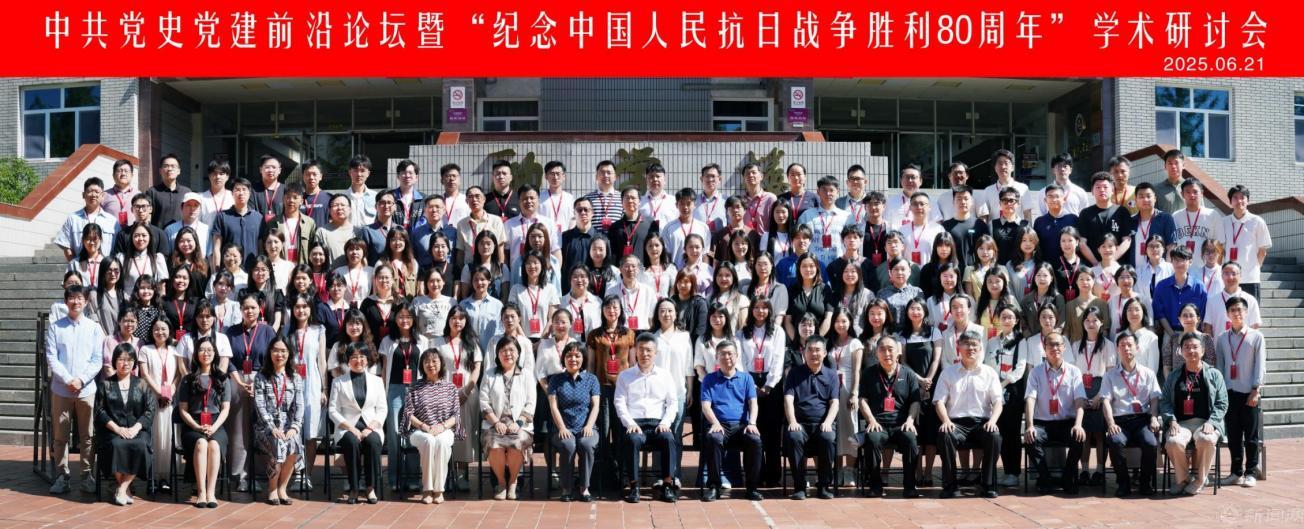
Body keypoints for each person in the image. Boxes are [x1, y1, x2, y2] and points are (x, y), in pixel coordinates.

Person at [46, 285, 104, 495]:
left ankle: (87, 475)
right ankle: (62, 476)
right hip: (61, 390)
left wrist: (81, 380)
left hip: (86, 390)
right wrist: (68, 379)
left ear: (86, 302)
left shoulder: (94, 328)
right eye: (71, 298)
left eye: (79, 298)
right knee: (60, 435)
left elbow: (97, 359)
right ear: (66, 302)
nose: (75, 301)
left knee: (87, 435)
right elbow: (52, 357)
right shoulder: (55, 327)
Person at [934, 332, 1003, 498]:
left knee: (994, 436)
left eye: (974, 345)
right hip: (956, 423)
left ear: (980, 348)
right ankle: (950, 485)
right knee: (945, 435)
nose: (970, 348)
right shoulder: (948, 373)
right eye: (966, 344)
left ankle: (988, 485)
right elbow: (939, 401)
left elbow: (998, 402)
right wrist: (946, 421)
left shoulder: (989, 372)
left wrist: (993, 421)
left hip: (982, 423)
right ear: (959, 347)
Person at [614, 333, 680, 503]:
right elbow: (619, 403)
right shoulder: (625, 376)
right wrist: (629, 423)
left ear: (655, 353)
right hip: (635, 423)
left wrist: (666, 422)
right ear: (635, 351)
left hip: (658, 424)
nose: (645, 354)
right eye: (641, 350)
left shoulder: (665, 376)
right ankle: (634, 486)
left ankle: (667, 485)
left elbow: (673, 403)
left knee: (669, 439)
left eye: (649, 350)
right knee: (633, 440)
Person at [1160, 332, 1228, 496]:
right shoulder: (1174, 376)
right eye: (1187, 347)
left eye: (1195, 347)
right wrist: (1171, 421)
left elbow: (1222, 403)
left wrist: (1212, 422)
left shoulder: (1214, 374)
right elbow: (1165, 402)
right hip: (1181, 423)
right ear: (1180, 351)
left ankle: (1200, 479)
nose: (1191, 350)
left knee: (1206, 439)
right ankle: (1183, 479)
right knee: (1173, 441)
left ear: (1203, 350)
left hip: (1206, 422)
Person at [697, 340, 764, 502]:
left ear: (737, 356)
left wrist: (752, 423)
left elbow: (753, 403)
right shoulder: (709, 379)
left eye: (730, 354)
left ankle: (752, 488)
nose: (727, 357)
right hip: (719, 425)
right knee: (713, 438)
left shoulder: (746, 378)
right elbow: (705, 406)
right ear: (716, 357)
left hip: (741, 426)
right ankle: (714, 486)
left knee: (755, 440)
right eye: (723, 354)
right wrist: (715, 423)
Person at [1022, 330, 1087, 494]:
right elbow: (1030, 399)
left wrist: (1078, 424)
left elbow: (1080, 400)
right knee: (1030, 438)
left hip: (1066, 423)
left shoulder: (1074, 371)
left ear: (1064, 347)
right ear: (1044, 348)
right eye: (1050, 344)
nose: (1054, 348)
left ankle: (1067, 477)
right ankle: (1045, 478)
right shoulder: (1036, 372)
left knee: (1078, 437)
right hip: (1042, 424)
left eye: (1058, 344)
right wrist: (1029, 425)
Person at [858, 335, 923, 498]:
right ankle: (875, 486)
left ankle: (910, 486)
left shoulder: (908, 374)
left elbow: (915, 402)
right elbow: (862, 400)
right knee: (872, 439)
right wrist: (871, 420)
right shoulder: (868, 374)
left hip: (901, 424)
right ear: (877, 353)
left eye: (890, 349)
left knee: (910, 438)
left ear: (898, 352)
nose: (887, 353)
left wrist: (910, 421)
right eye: (882, 349)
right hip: (878, 424)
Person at [1100, 330, 1163, 497]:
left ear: (1137, 348)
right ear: (1117, 349)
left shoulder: (1148, 373)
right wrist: (1111, 424)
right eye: (1122, 345)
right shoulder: (1110, 375)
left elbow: (1154, 399)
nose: (1126, 348)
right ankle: (1123, 483)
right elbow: (1105, 401)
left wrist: (1154, 418)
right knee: (1115, 441)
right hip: (1120, 421)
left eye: (1129, 345)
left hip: (1142, 420)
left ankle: (1145, 482)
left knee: (1151, 443)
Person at [226, 291, 276, 491]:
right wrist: (239, 380)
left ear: (260, 309)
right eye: (245, 308)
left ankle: (263, 474)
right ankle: (241, 476)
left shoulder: (267, 331)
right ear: (240, 309)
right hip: (237, 380)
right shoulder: (231, 332)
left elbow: (273, 357)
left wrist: (259, 381)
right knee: (239, 430)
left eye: (253, 307)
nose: (249, 311)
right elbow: (227, 359)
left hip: (261, 380)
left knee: (262, 428)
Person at [95, 343, 156, 506]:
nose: (125, 363)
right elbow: (99, 411)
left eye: (129, 359)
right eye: (121, 359)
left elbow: (150, 410)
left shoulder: (142, 384)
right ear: (115, 361)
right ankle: (125, 489)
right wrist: (117, 429)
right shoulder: (105, 384)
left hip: (137, 429)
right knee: (115, 445)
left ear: (134, 362)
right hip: (112, 430)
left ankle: (121, 488)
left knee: (141, 444)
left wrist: (136, 428)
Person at [401, 348, 463, 504]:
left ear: (441, 363)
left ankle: (439, 490)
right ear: (422, 365)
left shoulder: (450, 387)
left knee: (441, 442)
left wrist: (442, 427)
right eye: (426, 361)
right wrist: (425, 427)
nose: (430, 364)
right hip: (419, 430)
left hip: (444, 429)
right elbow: (408, 414)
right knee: (429, 441)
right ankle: (427, 489)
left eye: (434, 360)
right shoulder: (414, 387)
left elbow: (456, 416)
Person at [328, 342, 388, 504]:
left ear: (367, 359)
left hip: (371, 426)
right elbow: (332, 410)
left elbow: (382, 409)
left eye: (362, 356)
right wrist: (351, 428)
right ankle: (354, 488)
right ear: (348, 360)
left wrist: (370, 427)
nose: (358, 360)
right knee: (352, 442)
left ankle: (370, 487)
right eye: (354, 357)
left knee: (373, 442)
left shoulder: (377, 381)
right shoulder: (338, 382)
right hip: (347, 427)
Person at [1216, 297, 1266, 488]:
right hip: (1229, 393)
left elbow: (1260, 365)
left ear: (1246, 312)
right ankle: (1236, 472)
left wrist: (1256, 389)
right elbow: (1220, 367)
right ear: (1227, 314)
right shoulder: (1222, 338)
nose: (1236, 313)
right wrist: (1220, 393)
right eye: (1232, 310)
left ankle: (1251, 472)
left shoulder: (1256, 336)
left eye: (1240, 310)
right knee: (1234, 436)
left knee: (1251, 436)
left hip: (1249, 392)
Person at [783, 336, 839, 500]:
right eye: (810, 350)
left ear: (825, 353)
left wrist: (828, 422)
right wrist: (792, 421)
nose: (814, 354)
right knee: (794, 436)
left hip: (823, 424)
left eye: (817, 350)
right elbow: (788, 399)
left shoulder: (832, 375)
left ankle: (824, 486)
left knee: (828, 438)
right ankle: (799, 487)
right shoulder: (794, 373)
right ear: (804, 352)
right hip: (800, 424)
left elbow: (834, 402)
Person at [479, 338, 536, 500]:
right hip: (493, 425)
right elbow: (484, 402)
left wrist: (519, 422)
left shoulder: (526, 375)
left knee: (516, 443)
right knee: (494, 445)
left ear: (518, 353)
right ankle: (501, 482)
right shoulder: (489, 374)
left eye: (511, 350)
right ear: (497, 354)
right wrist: (496, 422)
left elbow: (531, 403)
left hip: (520, 426)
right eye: (503, 350)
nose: (507, 353)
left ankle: (513, 482)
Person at [178, 336, 231, 508]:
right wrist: (196, 426)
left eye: (209, 350)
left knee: (214, 445)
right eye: (202, 350)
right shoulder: (188, 379)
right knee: (201, 443)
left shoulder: (222, 378)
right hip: (193, 423)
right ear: (196, 354)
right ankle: (200, 492)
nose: (205, 353)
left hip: (216, 423)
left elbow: (225, 409)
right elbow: (183, 410)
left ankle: (211, 492)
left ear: (215, 353)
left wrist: (214, 427)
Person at [252, 337, 305, 505]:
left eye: (283, 351)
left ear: (289, 354)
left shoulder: (295, 377)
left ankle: (283, 488)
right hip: (265, 428)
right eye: (275, 350)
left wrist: (294, 427)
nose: (279, 354)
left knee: (294, 442)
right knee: (277, 441)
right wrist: (272, 428)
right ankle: (272, 489)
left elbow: (299, 406)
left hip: (288, 426)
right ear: (270, 352)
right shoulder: (261, 377)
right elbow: (260, 406)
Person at [547, 342, 601, 502]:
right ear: (563, 358)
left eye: (577, 355)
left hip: (586, 426)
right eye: (569, 356)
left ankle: (584, 488)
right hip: (563, 427)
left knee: (586, 444)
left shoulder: (591, 379)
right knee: (567, 444)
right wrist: (562, 428)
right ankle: (567, 488)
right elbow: (553, 406)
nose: (573, 359)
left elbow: (595, 406)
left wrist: (589, 426)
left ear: (583, 358)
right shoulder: (555, 379)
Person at [138, 318, 182, 492]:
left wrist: (170, 391)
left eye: (164, 329)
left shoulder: (175, 350)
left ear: (169, 330)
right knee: (153, 437)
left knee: (169, 437)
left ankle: (167, 477)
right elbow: (144, 374)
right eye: (156, 329)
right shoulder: (145, 350)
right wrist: (159, 393)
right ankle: (153, 477)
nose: (160, 332)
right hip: (152, 399)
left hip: (170, 400)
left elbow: (179, 373)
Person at [1217, 185, 1272, 298]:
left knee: (1251, 308)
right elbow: (1219, 248)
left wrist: (1255, 268)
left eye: (1242, 197)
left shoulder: (1257, 221)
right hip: (1229, 277)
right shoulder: (1224, 222)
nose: (1239, 201)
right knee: (1229, 308)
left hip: (1250, 278)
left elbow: (1262, 251)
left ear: (1248, 200)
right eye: (1235, 198)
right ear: (1230, 201)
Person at [346, 155, 378, 227]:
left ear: (368, 173)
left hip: (369, 233)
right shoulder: (343, 197)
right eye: (355, 170)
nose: (359, 174)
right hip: (349, 234)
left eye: (362, 171)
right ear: (350, 172)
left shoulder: (375, 196)